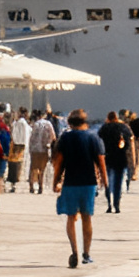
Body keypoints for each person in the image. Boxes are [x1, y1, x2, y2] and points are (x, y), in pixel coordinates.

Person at [51, 110, 107, 267]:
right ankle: (86, 254)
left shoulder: (65, 138)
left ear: (69, 123)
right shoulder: (93, 137)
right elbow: (100, 160)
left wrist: (56, 180)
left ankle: (74, 250)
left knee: (71, 217)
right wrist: (104, 180)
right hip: (88, 183)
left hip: (70, 182)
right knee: (87, 217)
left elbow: (59, 161)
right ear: (85, 122)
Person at [99, 110, 134, 214]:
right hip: (121, 157)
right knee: (118, 182)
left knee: (108, 181)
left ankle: (109, 204)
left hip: (107, 156)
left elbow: (99, 140)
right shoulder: (124, 127)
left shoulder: (104, 128)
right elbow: (130, 139)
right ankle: (117, 204)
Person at [27, 110, 54, 195]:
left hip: (35, 149)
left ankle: (31, 186)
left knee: (33, 168)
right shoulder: (48, 124)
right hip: (44, 149)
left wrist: (30, 148)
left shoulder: (36, 124)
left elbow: (32, 137)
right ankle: (40, 186)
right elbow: (53, 136)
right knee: (42, 169)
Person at [5, 109, 30, 194]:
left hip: (17, 145)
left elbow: (19, 135)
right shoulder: (21, 123)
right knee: (16, 164)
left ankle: (14, 182)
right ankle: (13, 182)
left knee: (15, 165)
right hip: (18, 145)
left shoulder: (20, 123)